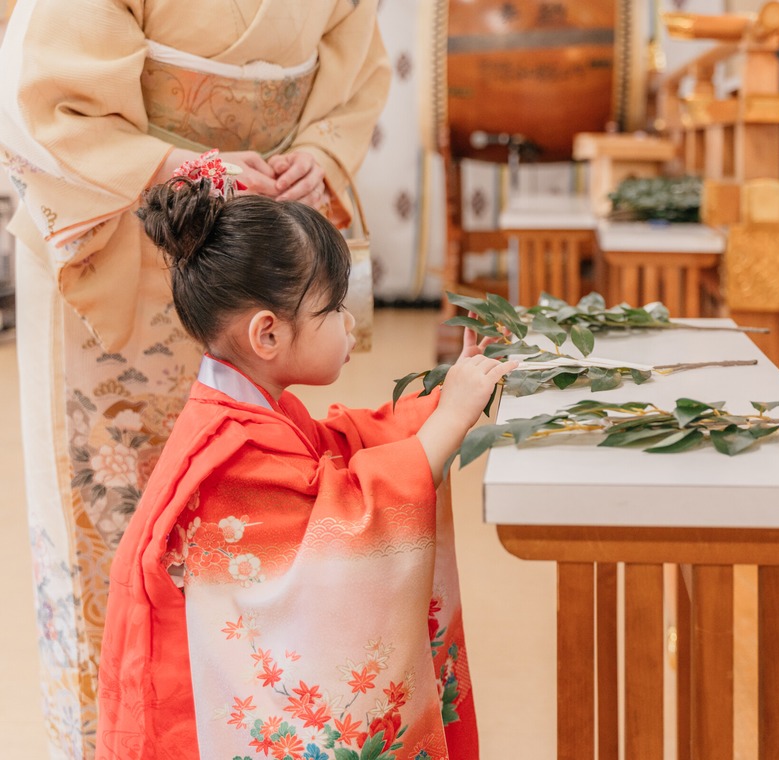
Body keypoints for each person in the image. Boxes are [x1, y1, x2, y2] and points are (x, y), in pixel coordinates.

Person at [0, 1, 391, 754]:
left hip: (254, 253)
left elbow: (355, 71)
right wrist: (191, 170)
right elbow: (47, 94)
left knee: (245, 515)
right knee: (116, 524)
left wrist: (319, 155)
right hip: (121, 237)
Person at [97, 175, 515, 758]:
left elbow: (341, 446)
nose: (349, 323)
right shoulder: (230, 458)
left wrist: (446, 398)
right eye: (333, 308)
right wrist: (449, 420)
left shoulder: (244, 407)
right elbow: (350, 518)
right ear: (267, 333)